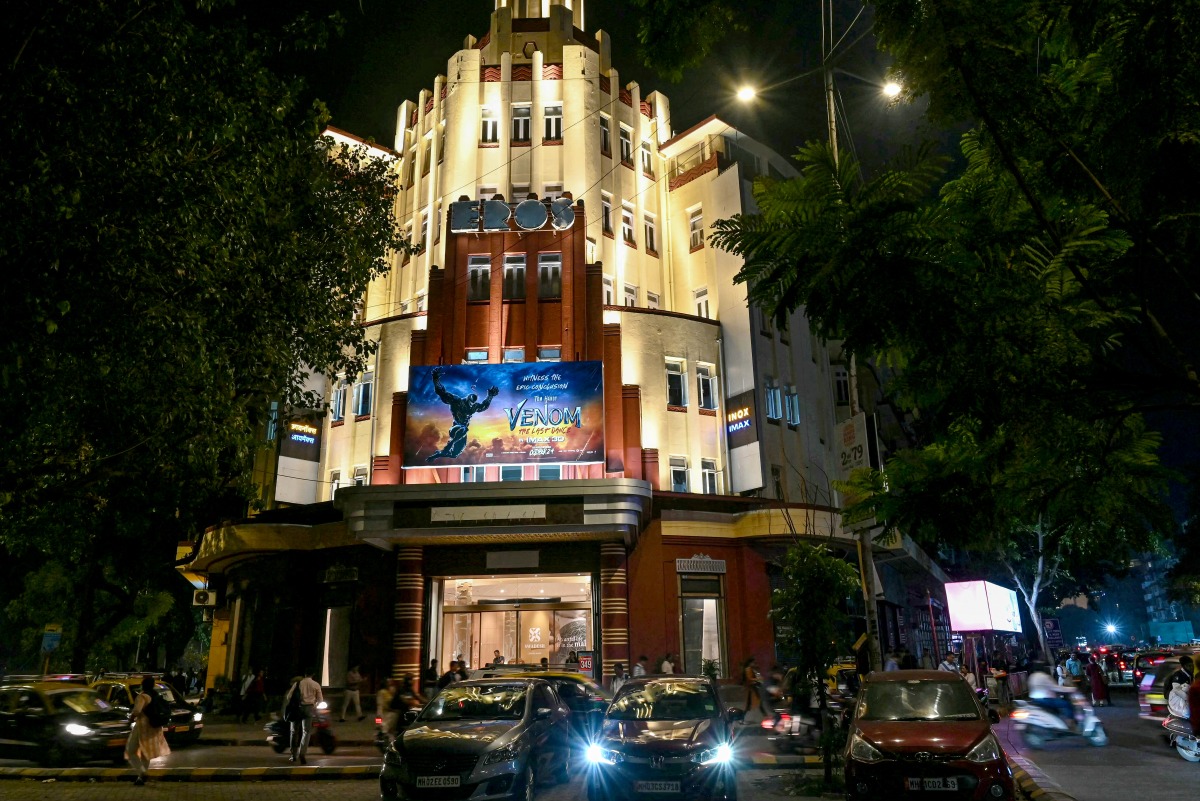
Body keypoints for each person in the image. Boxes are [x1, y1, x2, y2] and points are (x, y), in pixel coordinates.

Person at [426, 366, 499, 461]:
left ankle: (438, 454)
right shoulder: (456, 401)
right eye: (470, 401)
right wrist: (435, 379)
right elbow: (442, 393)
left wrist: (490, 396)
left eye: (472, 403)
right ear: (467, 398)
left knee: (454, 454)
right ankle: (449, 445)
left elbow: (483, 406)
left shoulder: (473, 406)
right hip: (456, 428)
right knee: (463, 429)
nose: (471, 404)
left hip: (462, 431)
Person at [125, 675, 171, 785]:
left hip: (142, 726)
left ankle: (142, 772)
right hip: (154, 727)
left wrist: (130, 720)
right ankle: (141, 777)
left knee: (131, 750)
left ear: (143, 685)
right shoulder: (155, 695)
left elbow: (136, 711)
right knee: (145, 753)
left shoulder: (142, 697)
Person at [283, 669, 324, 764]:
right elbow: (320, 700)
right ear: (313, 674)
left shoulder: (298, 684)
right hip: (309, 709)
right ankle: (302, 754)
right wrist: (314, 705)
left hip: (297, 708)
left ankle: (293, 755)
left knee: (294, 732)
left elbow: (289, 697)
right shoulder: (316, 684)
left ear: (304, 674)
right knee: (306, 732)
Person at [1027, 664, 1078, 729]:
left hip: (1034, 700)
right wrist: (1072, 689)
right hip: (1046, 700)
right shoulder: (1044, 676)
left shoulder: (1032, 676)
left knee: (1057, 709)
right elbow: (1056, 688)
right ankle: (1070, 726)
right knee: (1067, 704)